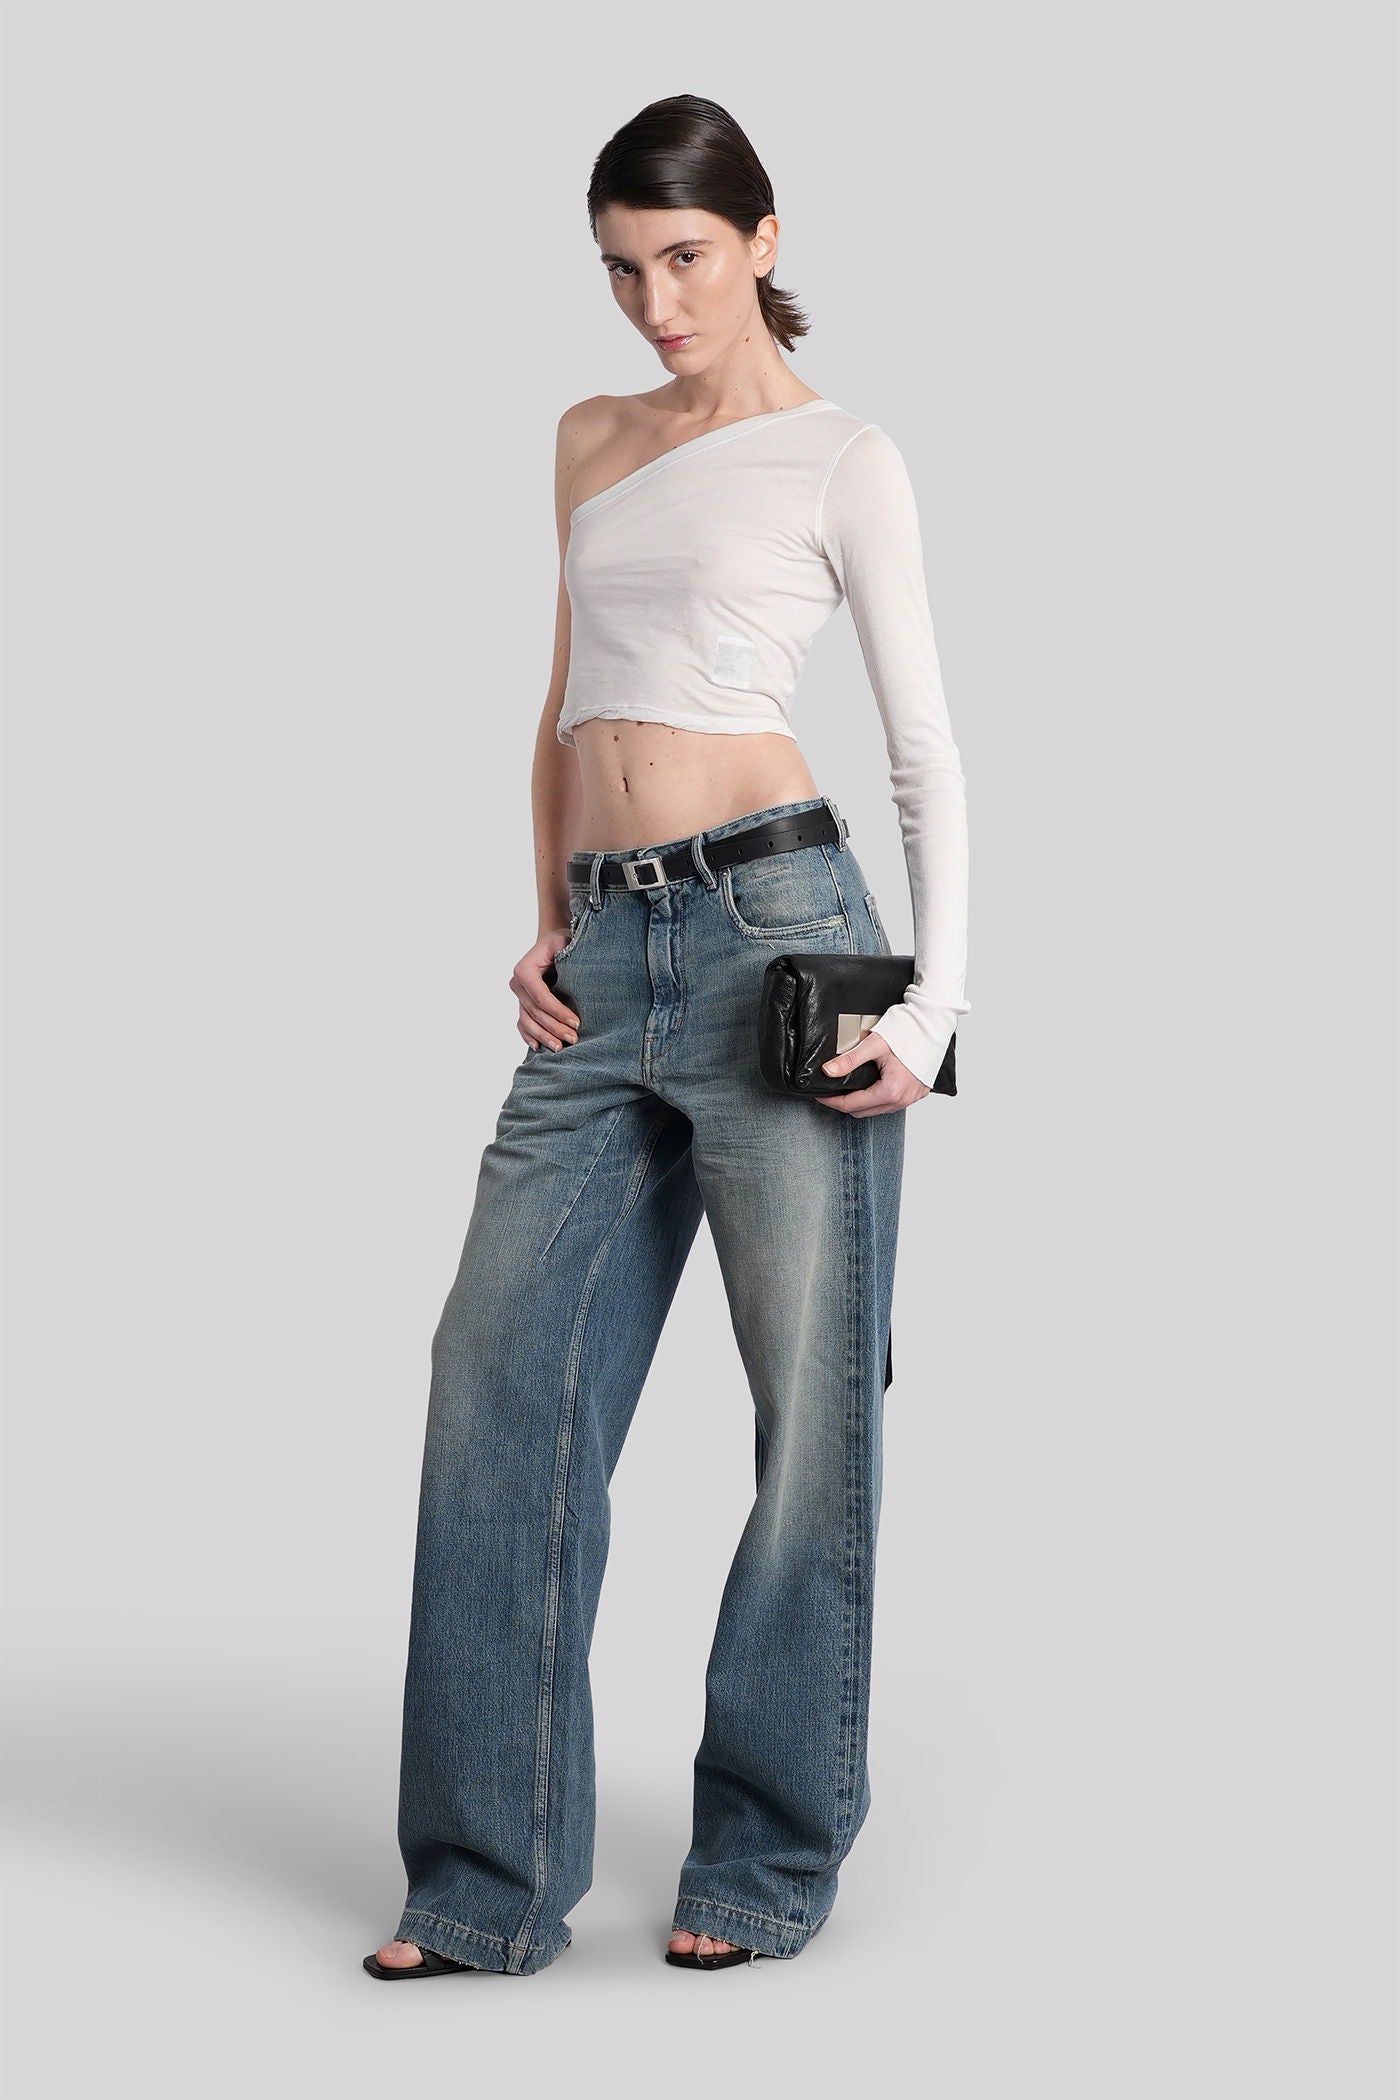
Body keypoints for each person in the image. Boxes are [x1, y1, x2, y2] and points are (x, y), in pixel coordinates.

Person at [364, 90, 971, 1982]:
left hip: (788, 937)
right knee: (495, 1391)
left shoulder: (843, 456)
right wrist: (549, 911)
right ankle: (484, 1883)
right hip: (605, 952)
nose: (656, 303)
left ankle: (767, 1859)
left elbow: (925, 749)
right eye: (624, 269)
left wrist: (937, 1007)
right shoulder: (590, 436)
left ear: (764, 242)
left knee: (813, 1420)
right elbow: (567, 700)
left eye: (687, 259)